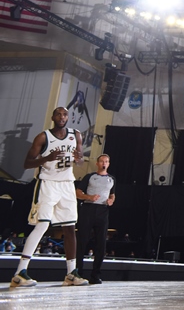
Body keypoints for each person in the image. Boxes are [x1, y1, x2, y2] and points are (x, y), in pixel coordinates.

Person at [10, 107, 89, 288]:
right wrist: (46, 158)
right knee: (43, 225)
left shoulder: (76, 135)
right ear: (53, 117)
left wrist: (79, 160)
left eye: (65, 115)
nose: (62, 117)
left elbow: (81, 160)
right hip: (48, 184)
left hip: (67, 184)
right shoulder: (43, 137)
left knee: (70, 228)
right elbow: (27, 163)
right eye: (59, 114)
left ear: (68, 117)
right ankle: (20, 272)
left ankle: (71, 273)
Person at [75, 153, 115, 283]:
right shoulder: (90, 177)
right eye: (102, 161)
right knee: (82, 241)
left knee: (101, 243)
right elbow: (78, 192)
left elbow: (113, 194)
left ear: (108, 164)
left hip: (103, 211)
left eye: (107, 161)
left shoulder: (112, 179)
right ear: (97, 163)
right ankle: (77, 273)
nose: (104, 163)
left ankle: (95, 275)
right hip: (88, 209)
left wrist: (111, 200)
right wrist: (89, 197)